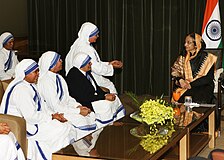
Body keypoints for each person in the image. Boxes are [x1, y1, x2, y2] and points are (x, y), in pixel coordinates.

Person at [0, 59, 76, 160]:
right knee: (62, 128)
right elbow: (31, 117)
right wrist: (52, 117)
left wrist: (54, 116)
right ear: (25, 74)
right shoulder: (21, 90)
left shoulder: (30, 85)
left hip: (33, 121)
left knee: (65, 126)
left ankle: (58, 154)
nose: (38, 74)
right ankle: (56, 155)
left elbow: (42, 107)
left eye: (38, 71)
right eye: (35, 71)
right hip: (24, 125)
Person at [37, 51, 97, 140]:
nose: (61, 61)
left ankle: (89, 147)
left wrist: (78, 106)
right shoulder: (46, 81)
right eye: (58, 60)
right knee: (81, 120)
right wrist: (77, 111)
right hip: (56, 112)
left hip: (66, 109)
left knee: (91, 115)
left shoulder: (59, 77)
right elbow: (55, 107)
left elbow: (67, 98)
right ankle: (80, 150)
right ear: (52, 64)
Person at [66, 52, 125, 128]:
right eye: (88, 63)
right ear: (81, 65)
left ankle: (115, 119)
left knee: (115, 98)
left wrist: (105, 94)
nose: (90, 64)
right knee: (106, 105)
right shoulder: (75, 77)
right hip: (84, 101)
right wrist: (104, 97)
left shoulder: (85, 71)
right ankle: (106, 125)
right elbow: (84, 97)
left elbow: (95, 87)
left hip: (92, 96)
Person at [65, 22, 123, 94]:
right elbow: (95, 67)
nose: (98, 36)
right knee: (110, 87)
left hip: (79, 77)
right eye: (95, 35)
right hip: (86, 78)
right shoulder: (85, 48)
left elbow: (94, 62)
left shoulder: (78, 44)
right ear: (89, 35)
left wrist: (109, 63)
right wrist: (111, 67)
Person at [171, 33, 217, 104]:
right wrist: (180, 80)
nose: (185, 45)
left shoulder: (208, 58)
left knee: (198, 99)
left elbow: (208, 78)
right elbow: (175, 71)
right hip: (186, 86)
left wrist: (191, 85)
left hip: (203, 86)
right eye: (185, 42)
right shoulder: (183, 57)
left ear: (196, 45)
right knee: (183, 98)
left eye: (188, 43)